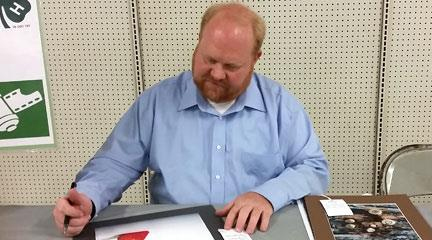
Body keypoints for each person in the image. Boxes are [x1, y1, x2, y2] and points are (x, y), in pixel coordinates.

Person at [52, 2, 329, 237]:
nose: (217, 74)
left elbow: (313, 168)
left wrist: (266, 195)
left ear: (256, 58)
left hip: (256, 233)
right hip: (174, 233)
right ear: (198, 44)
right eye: (209, 59)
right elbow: (115, 162)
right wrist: (87, 197)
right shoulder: (157, 103)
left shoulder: (280, 105)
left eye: (231, 66)